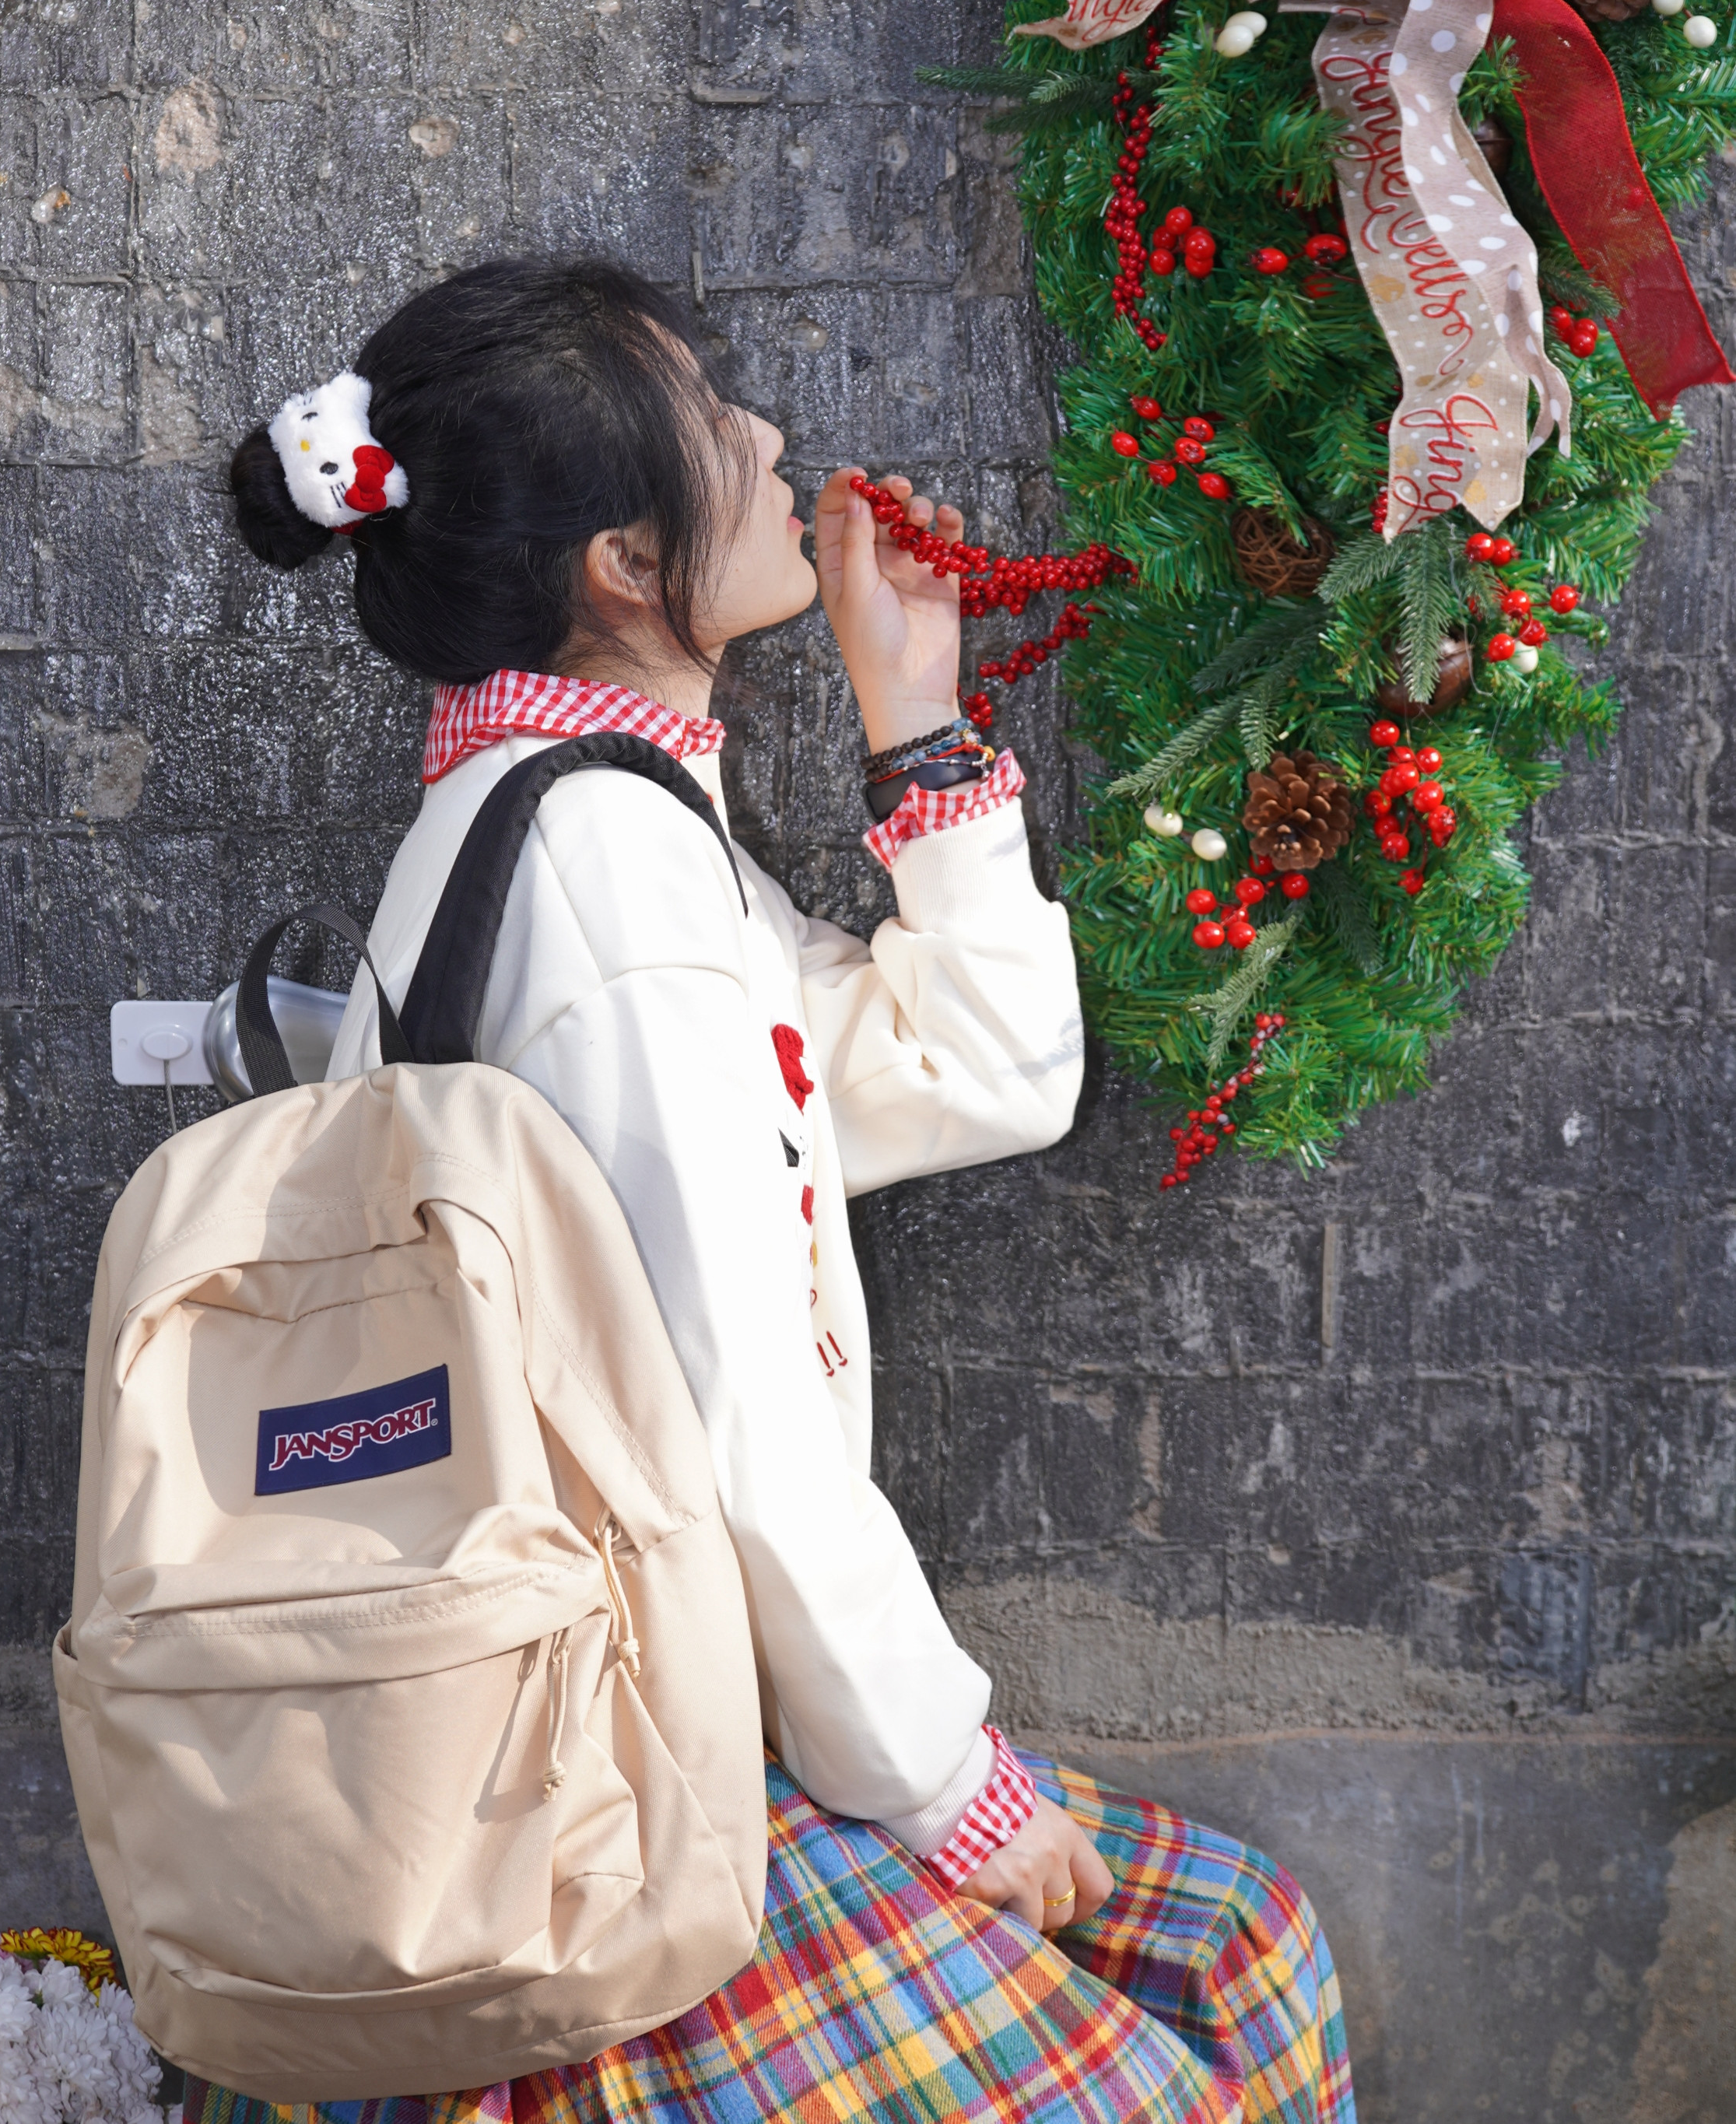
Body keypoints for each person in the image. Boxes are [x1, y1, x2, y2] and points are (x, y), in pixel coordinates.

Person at [219, 256, 1355, 2124]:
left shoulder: (586, 821)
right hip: (649, 1764)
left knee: (1234, 1944)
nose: (763, 439)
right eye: (711, 418)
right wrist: (950, 1791)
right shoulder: (608, 875)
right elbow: (730, 1414)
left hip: (667, 1703)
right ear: (623, 562)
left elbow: (971, 1076)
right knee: (1219, 1992)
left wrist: (918, 721)